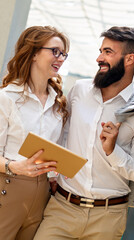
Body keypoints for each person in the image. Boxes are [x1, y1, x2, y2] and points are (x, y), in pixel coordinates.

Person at [34, 26, 134, 240]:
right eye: (101, 51)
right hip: (62, 208)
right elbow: (62, 136)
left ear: (129, 59)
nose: (99, 58)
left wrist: (112, 151)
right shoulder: (79, 91)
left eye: (108, 52)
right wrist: (53, 174)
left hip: (108, 218)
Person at [0, 25, 69, 240]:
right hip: (8, 187)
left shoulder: (58, 104)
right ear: (33, 54)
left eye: (64, 54)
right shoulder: (6, 98)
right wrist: (14, 166)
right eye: (55, 51)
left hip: (43, 194)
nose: (61, 58)